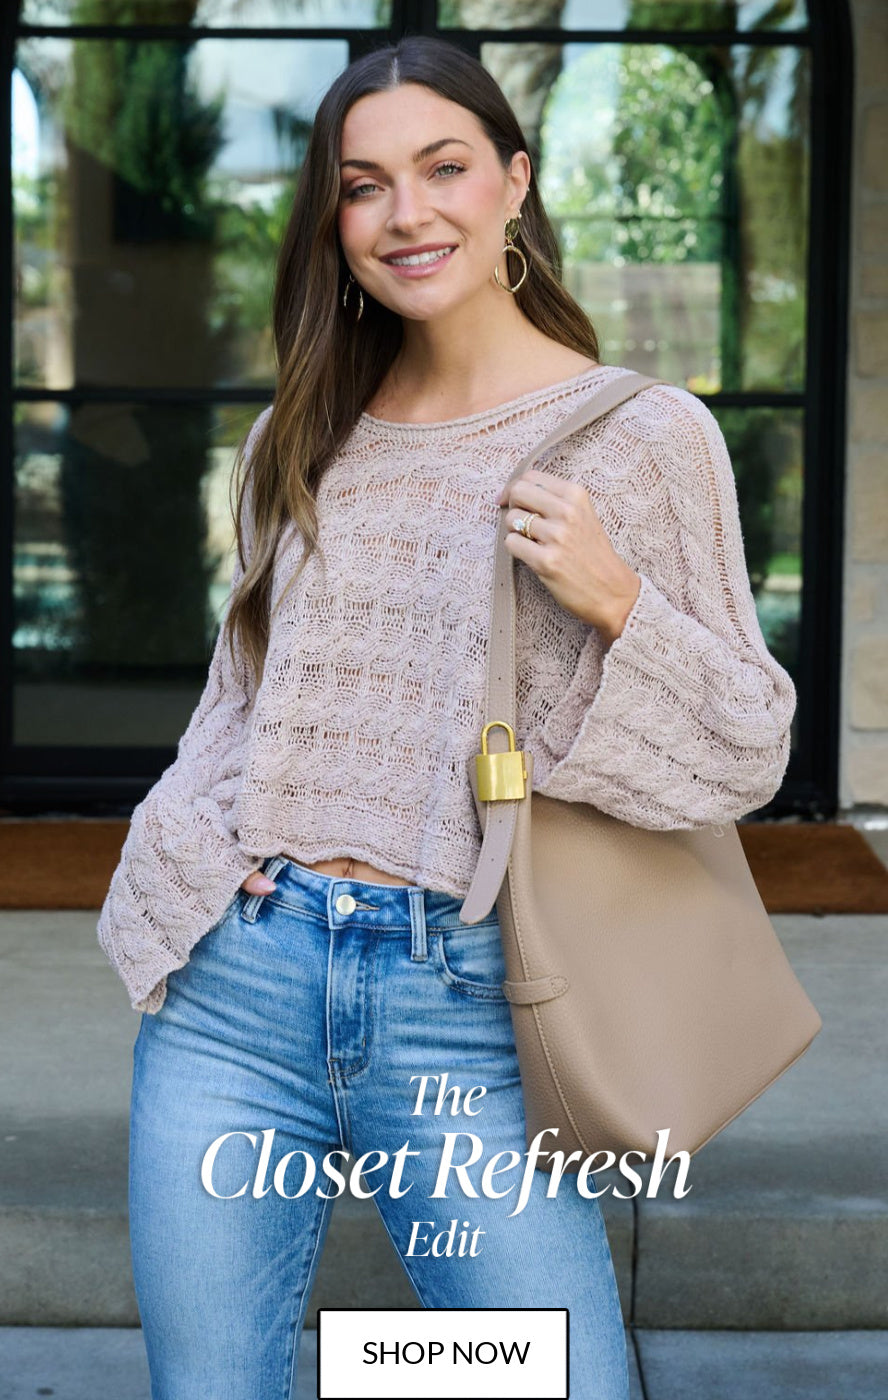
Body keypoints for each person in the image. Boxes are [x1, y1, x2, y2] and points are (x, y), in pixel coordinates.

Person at [97, 34, 797, 1400]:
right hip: (235, 994)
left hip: (460, 1008)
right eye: (364, 185)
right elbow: (236, 706)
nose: (406, 214)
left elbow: (748, 745)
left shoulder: (640, 436)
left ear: (514, 185)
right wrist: (185, 848)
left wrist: (616, 600)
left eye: (444, 169)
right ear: (335, 218)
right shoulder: (299, 432)